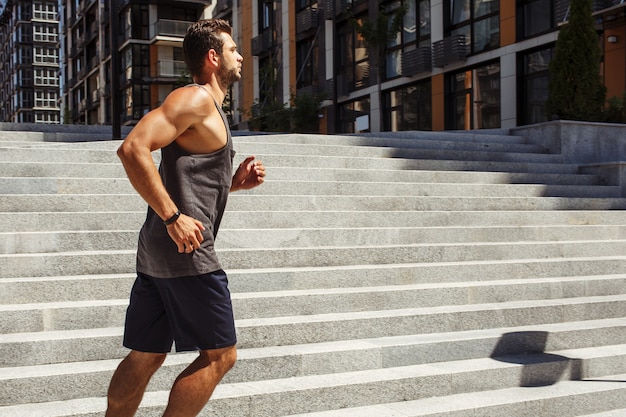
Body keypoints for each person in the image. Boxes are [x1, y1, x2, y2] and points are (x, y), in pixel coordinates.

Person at [106, 19, 265, 417]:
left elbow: (188, 176)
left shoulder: (207, 108)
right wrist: (173, 216)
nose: (240, 55)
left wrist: (233, 184)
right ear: (213, 57)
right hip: (186, 249)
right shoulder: (193, 99)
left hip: (161, 250)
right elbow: (133, 148)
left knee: (146, 355)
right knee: (221, 355)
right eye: (232, 49)